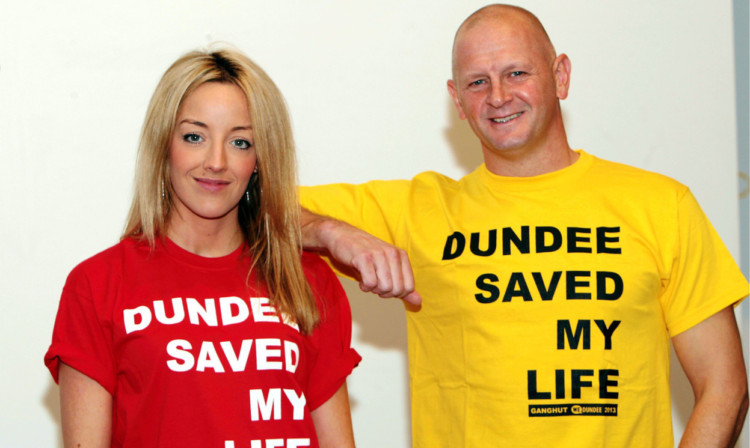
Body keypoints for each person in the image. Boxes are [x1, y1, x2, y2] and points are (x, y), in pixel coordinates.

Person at [299, 4, 749, 447]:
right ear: (457, 100)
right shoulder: (415, 210)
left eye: (517, 73)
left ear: (561, 76)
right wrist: (330, 232)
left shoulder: (660, 204)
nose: (498, 96)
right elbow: (249, 203)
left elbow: (725, 387)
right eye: (478, 82)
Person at [44, 47, 361, 448]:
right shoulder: (98, 284)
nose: (216, 161)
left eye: (241, 142)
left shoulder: (308, 281)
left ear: (261, 159)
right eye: (195, 136)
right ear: (164, 145)